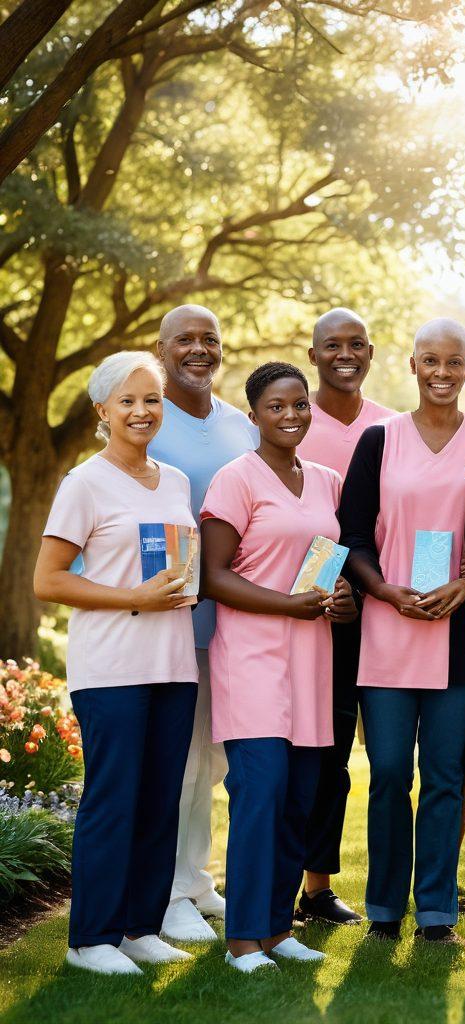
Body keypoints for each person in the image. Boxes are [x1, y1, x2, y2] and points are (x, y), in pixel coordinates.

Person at [34, 352, 199, 975]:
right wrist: (132, 596)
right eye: (127, 401)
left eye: (151, 399)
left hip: (173, 661)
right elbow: (47, 579)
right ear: (102, 411)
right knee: (114, 799)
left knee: (161, 799)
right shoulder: (84, 482)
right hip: (112, 668)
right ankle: (89, 939)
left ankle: (138, 927)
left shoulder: (178, 482)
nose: (141, 411)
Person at [200, 362, 357, 973]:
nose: (291, 415)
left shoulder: (325, 479)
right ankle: (242, 936)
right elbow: (213, 575)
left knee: (300, 798)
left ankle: (277, 927)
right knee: (260, 794)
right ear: (253, 415)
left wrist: (341, 599)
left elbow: (328, 565)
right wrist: (290, 605)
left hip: (312, 657)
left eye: (299, 404)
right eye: (276, 406)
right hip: (253, 657)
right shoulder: (235, 479)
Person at [341, 318, 465, 944]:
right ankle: (382, 910)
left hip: (457, 632)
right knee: (392, 773)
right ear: (411, 366)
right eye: (430, 361)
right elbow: (349, 533)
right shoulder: (380, 440)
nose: (442, 373)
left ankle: (435, 913)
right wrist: (383, 590)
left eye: (453, 362)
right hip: (387, 629)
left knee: (446, 778)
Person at [148, 304, 259, 943]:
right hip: (170, 615)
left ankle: (195, 877)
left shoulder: (241, 427)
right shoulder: (144, 418)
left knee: (215, 755)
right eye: (184, 340)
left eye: (209, 339)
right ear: (161, 349)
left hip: (236, 619)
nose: (198, 350)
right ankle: (166, 893)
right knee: (179, 757)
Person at [294, 307, 395, 927]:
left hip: (389, 610)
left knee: (388, 757)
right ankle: (312, 886)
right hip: (323, 612)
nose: (345, 354)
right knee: (325, 752)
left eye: (356, 344)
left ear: (372, 351)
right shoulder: (294, 419)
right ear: (314, 355)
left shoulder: (393, 427)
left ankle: (411, 886)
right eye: (332, 345)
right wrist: (332, 592)